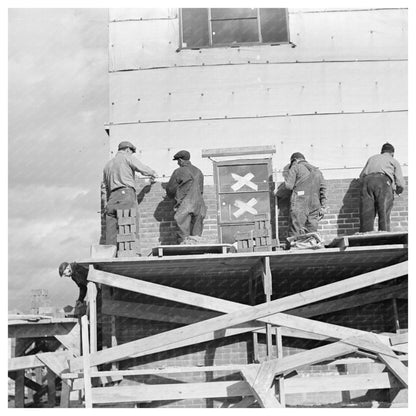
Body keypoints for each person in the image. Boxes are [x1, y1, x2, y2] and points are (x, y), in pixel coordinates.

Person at [102, 141, 157, 245]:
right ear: (127, 150)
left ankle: (110, 254)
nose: (132, 154)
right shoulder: (127, 157)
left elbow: (104, 188)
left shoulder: (107, 165)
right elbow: (142, 169)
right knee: (130, 224)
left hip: (111, 199)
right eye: (131, 152)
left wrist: (106, 203)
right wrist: (152, 173)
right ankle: (131, 252)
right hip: (126, 194)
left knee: (111, 230)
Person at [359, 142, 405, 232]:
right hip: (383, 182)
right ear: (392, 153)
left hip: (367, 182)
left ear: (382, 151)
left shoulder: (372, 158)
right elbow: (400, 183)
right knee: (384, 210)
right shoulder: (393, 160)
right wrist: (398, 190)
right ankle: (385, 235)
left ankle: (366, 236)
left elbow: (361, 176)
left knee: (367, 212)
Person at [166, 150, 207, 244]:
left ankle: (184, 253)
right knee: (196, 236)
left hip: (186, 204)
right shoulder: (198, 171)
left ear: (181, 160)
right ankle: (197, 253)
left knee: (183, 234)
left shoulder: (179, 171)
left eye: (177, 161)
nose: (177, 163)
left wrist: (173, 196)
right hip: (199, 204)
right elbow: (201, 190)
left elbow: (170, 189)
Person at [284, 152, 327, 239]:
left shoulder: (295, 166)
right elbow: (323, 189)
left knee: (296, 228)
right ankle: (310, 247)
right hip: (315, 203)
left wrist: (279, 190)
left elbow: (289, 186)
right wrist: (323, 206)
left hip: (300, 201)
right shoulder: (317, 171)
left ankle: (294, 249)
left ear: (295, 160)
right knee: (312, 228)